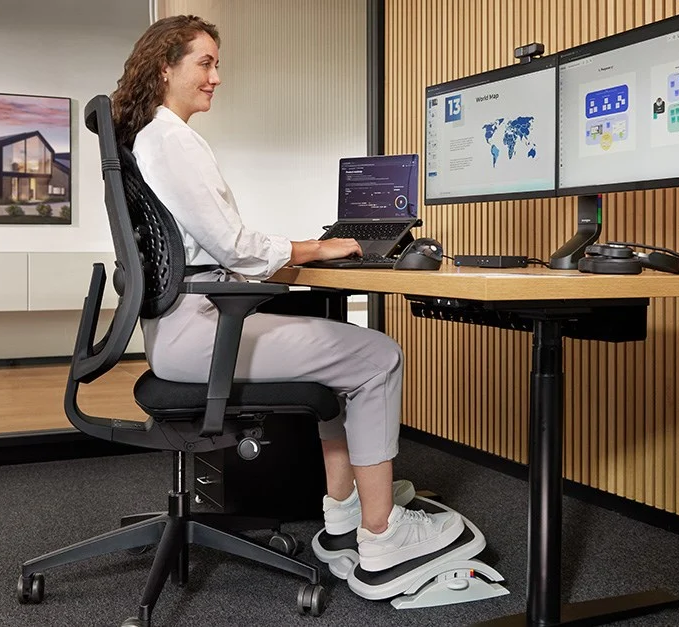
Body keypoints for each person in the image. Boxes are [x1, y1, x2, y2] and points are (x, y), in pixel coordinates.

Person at [110, 15, 463, 573]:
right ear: (164, 69)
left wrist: (300, 251)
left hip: (179, 331)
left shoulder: (147, 138)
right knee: (378, 356)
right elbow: (235, 247)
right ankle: (382, 532)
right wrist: (318, 248)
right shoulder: (172, 140)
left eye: (217, 64)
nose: (216, 77)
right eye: (205, 63)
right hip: (201, 336)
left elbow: (214, 247)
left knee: (341, 357)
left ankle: (345, 512)